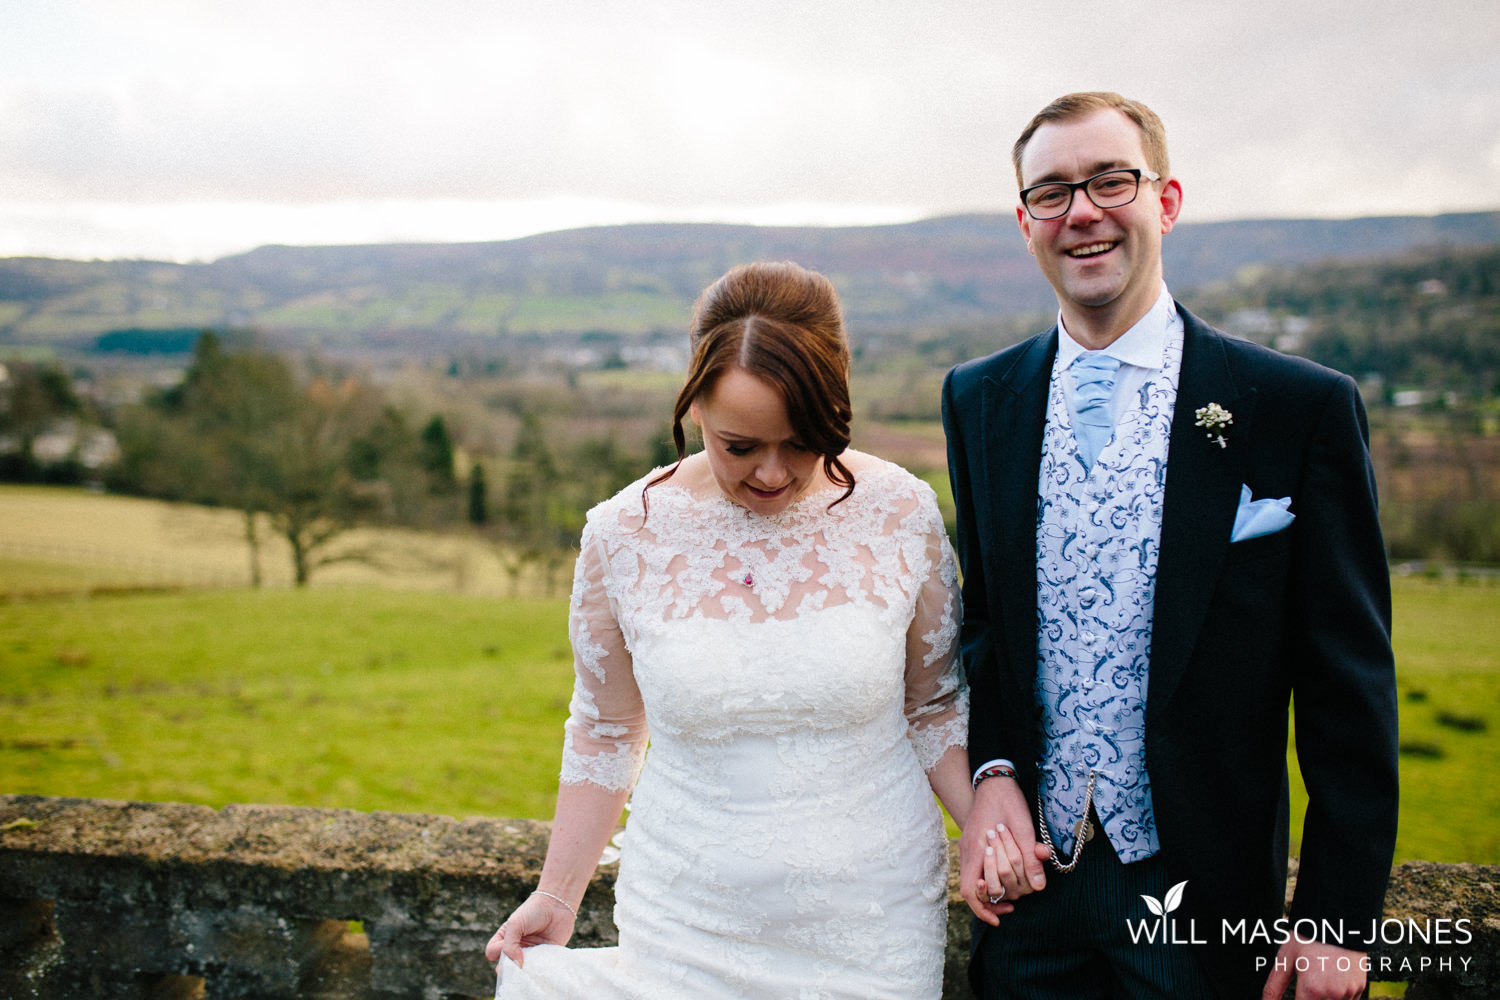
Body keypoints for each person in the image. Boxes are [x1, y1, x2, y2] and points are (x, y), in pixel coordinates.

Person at [941, 92, 1398, 999]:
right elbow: (986, 620)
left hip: (1207, 902)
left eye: (1111, 180)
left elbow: (1349, 681)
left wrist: (1339, 918)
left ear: (1167, 199)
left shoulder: (1297, 408)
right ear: (1025, 220)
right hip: (1031, 895)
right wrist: (991, 768)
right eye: (1053, 192)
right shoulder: (978, 397)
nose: (1083, 212)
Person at [486, 260, 977, 999]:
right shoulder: (623, 534)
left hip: (871, 918)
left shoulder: (900, 513)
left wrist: (983, 832)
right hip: (686, 917)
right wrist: (557, 896)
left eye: (804, 441)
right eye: (738, 446)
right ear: (695, 404)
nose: (774, 474)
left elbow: (934, 707)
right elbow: (605, 729)